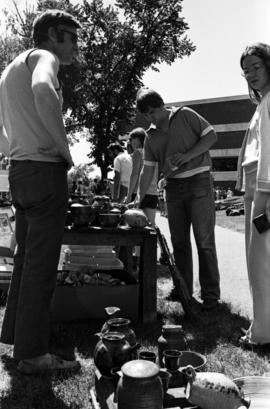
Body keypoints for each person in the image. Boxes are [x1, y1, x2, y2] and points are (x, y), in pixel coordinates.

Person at [0, 9, 81, 374]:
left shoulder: (9, 70)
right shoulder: (44, 58)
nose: (76, 46)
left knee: (25, 262)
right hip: (45, 171)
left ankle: (15, 336)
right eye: (72, 36)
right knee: (41, 266)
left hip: (20, 171)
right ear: (52, 34)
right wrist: (65, 153)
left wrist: (17, 151)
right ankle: (32, 354)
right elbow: (44, 91)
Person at [135, 87, 220, 310]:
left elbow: (211, 136)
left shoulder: (185, 114)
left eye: (154, 111)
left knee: (204, 242)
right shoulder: (150, 136)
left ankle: (211, 295)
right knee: (179, 243)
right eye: (147, 115)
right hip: (172, 189)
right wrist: (138, 198)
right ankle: (183, 290)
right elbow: (148, 170)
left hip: (199, 182)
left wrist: (187, 156)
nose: (152, 118)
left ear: (163, 105)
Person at [236, 43, 270, 349]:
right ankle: (260, 326)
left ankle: (263, 334)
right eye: (246, 71)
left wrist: (266, 199)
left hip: (265, 190)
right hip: (255, 189)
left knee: (261, 264)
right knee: (256, 261)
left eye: (256, 67)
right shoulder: (262, 104)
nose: (250, 74)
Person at [126, 127, 158, 225]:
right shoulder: (154, 152)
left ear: (138, 139)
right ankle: (158, 240)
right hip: (153, 193)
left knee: (134, 225)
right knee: (151, 224)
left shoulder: (138, 152)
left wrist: (128, 195)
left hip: (140, 193)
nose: (130, 142)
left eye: (131, 139)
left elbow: (135, 175)